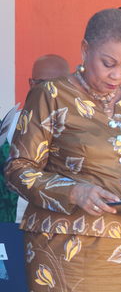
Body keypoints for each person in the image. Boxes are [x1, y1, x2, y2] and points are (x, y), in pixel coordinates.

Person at [4, 8, 121, 291]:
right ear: (85, 50)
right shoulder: (51, 95)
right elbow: (18, 169)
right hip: (65, 251)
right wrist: (73, 191)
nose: (117, 75)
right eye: (108, 63)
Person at [0, 54, 70, 223]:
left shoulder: (81, 127)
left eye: (56, 85)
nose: (49, 92)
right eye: (42, 84)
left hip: (64, 224)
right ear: (31, 84)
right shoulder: (12, 123)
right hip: (17, 223)